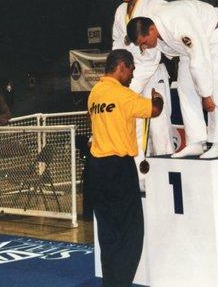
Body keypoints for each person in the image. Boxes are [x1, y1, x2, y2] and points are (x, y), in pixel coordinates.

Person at [87, 49, 163, 287]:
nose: (132, 75)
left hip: (96, 169)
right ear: (121, 66)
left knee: (108, 231)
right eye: (131, 69)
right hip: (119, 169)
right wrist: (157, 94)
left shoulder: (94, 93)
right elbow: (154, 110)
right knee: (131, 230)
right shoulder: (123, 95)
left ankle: (111, 282)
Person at [126, 0, 218, 159]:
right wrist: (127, 93)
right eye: (141, 45)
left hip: (215, 33)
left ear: (151, 30)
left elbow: (199, 58)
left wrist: (205, 95)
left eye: (144, 42)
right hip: (188, 49)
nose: (145, 47)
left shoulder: (177, 23)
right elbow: (147, 65)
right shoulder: (152, 34)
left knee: (216, 85)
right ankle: (195, 141)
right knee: (185, 87)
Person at [111, 0, 174, 187]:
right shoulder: (120, 11)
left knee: (159, 130)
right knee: (134, 127)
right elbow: (118, 45)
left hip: (153, 74)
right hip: (131, 76)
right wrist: (118, 79)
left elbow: (154, 51)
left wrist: (129, 88)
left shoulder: (156, 6)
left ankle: (166, 180)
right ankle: (140, 180)